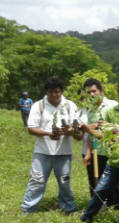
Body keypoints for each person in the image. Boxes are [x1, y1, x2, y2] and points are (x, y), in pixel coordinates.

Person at [80, 76, 119, 223]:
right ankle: (86, 219)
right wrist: (87, 130)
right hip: (115, 160)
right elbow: (104, 135)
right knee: (100, 191)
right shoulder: (111, 112)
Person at [21, 76, 85, 214]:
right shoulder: (39, 105)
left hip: (64, 152)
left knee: (64, 182)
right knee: (37, 181)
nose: (54, 95)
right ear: (46, 92)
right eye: (51, 92)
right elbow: (31, 128)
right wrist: (48, 133)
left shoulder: (70, 106)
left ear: (61, 91)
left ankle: (68, 208)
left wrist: (70, 131)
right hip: (42, 151)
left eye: (57, 91)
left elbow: (78, 132)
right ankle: (28, 209)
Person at [79, 78, 119, 204]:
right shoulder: (90, 110)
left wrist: (88, 128)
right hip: (97, 151)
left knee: (116, 185)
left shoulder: (113, 105)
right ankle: (99, 208)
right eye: (89, 92)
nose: (92, 95)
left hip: (112, 151)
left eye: (94, 91)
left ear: (101, 91)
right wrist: (88, 153)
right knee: (96, 182)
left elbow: (117, 130)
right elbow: (90, 135)